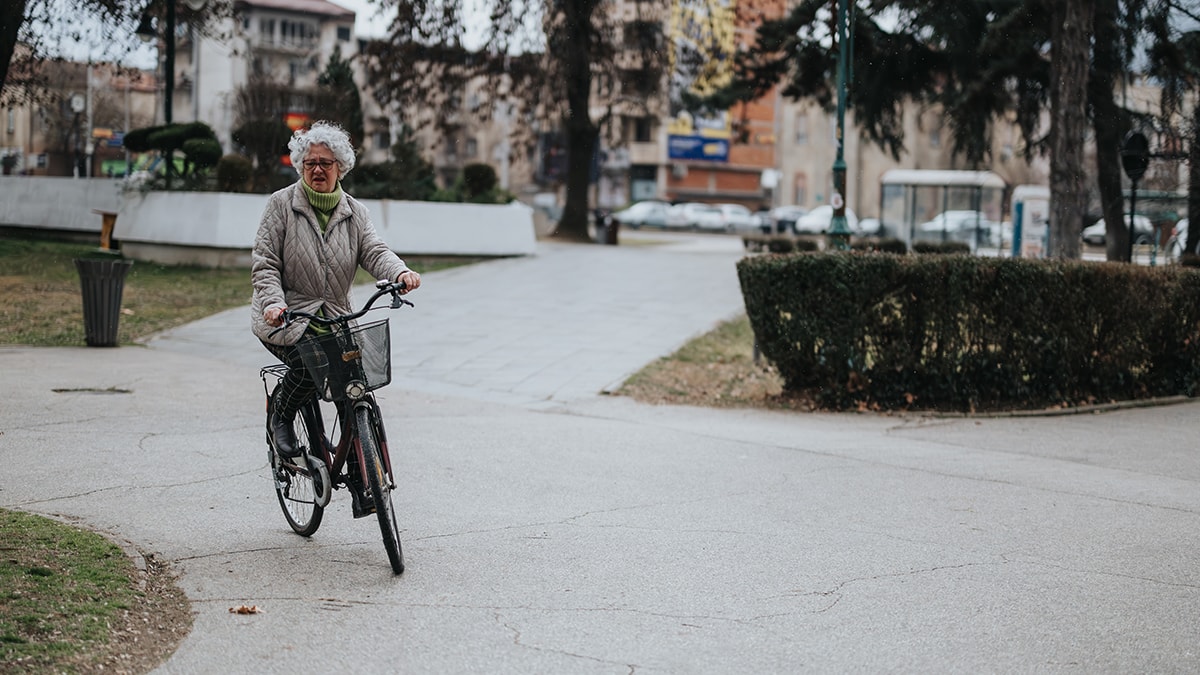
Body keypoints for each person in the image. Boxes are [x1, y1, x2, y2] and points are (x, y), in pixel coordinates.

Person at [251, 121, 421, 457]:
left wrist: (400, 272)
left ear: (340, 169)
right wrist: (273, 303)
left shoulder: (355, 213)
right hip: (288, 316)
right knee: (307, 367)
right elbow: (265, 263)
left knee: (354, 386)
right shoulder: (281, 205)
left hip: (336, 319)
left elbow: (374, 251)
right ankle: (280, 419)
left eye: (325, 163)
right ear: (301, 165)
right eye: (310, 163)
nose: (317, 170)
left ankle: (361, 470)